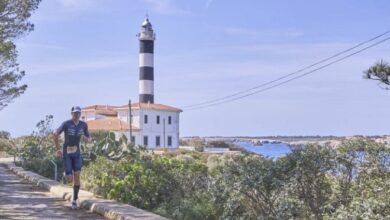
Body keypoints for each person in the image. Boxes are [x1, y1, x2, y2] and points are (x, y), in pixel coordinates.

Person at [53, 106, 92, 210]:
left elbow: (88, 137)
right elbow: (56, 134)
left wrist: (88, 139)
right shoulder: (66, 124)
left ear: (80, 114)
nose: (77, 115)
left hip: (77, 153)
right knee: (70, 179)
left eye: (78, 113)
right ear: (71, 114)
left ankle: (74, 200)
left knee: (77, 175)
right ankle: (66, 174)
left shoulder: (83, 125)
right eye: (75, 113)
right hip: (67, 153)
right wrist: (58, 149)